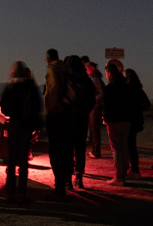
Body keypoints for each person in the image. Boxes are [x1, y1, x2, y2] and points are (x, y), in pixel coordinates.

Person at [0, 61, 42, 205]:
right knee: (23, 161)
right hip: (27, 126)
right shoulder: (31, 86)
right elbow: (38, 107)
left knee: (11, 160)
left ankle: (9, 193)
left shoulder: (9, 86)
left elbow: (4, 109)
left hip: (14, 125)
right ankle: (22, 193)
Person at [43, 48, 73, 201]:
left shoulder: (52, 68)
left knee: (55, 151)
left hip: (57, 114)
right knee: (65, 149)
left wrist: (51, 109)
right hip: (68, 114)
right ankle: (66, 182)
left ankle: (59, 187)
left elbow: (53, 89)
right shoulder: (66, 67)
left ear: (48, 58)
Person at [102, 63, 133, 186]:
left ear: (109, 73)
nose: (106, 76)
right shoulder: (127, 85)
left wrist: (105, 117)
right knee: (124, 147)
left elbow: (107, 105)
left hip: (114, 121)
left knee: (116, 149)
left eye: (106, 74)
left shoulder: (110, 87)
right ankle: (124, 173)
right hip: (126, 120)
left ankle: (119, 177)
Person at [67, 56, 96, 189]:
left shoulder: (68, 79)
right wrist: (85, 111)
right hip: (83, 118)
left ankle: (67, 179)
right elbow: (93, 100)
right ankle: (79, 178)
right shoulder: (87, 80)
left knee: (68, 148)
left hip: (70, 118)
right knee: (80, 148)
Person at [124, 69, 150, 180]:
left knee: (129, 146)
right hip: (137, 120)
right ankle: (134, 169)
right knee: (131, 145)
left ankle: (134, 170)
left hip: (129, 120)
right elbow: (147, 104)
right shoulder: (139, 89)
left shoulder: (127, 89)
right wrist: (139, 109)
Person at [84, 60, 105, 159]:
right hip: (92, 105)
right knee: (92, 128)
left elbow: (101, 93)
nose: (86, 70)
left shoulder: (96, 80)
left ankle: (96, 151)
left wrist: (93, 100)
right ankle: (94, 149)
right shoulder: (91, 79)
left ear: (92, 69)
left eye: (87, 69)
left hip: (95, 107)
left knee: (94, 128)